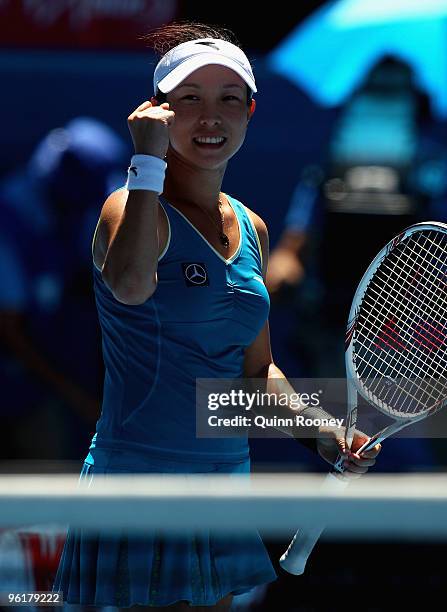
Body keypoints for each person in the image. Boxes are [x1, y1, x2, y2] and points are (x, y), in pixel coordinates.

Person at [53, 22, 381, 611]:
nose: (210, 117)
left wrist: (324, 434)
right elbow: (130, 286)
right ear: (156, 112)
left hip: (225, 480)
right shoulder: (128, 206)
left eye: (229, 99)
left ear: (250, 112)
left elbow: (256, 376)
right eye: (189, 100)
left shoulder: (252, 227)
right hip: (139, 483)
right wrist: (147, 162)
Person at [0, 117, 128, 462]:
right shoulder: (8, 227)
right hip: (21, 393)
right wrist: (73, 395)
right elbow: (9, 330)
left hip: (35, 394)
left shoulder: (73, 212)